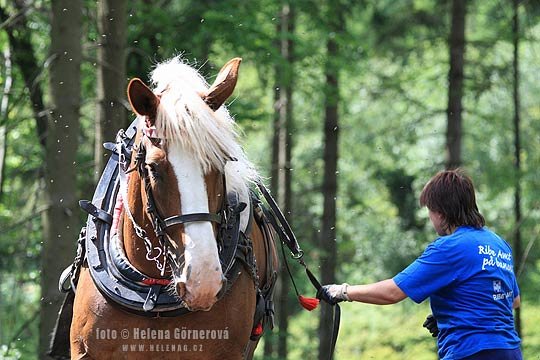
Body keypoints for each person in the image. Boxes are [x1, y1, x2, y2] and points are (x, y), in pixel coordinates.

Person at [318, 169, 522, 360]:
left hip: (470, 351)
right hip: (510, 351)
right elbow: (513, 300)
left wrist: (342, 291)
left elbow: (392, 292)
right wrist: (450, 314)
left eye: (430, 211)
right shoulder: (498, 244)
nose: (430, 217)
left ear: (441, 212)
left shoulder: (449, 247)